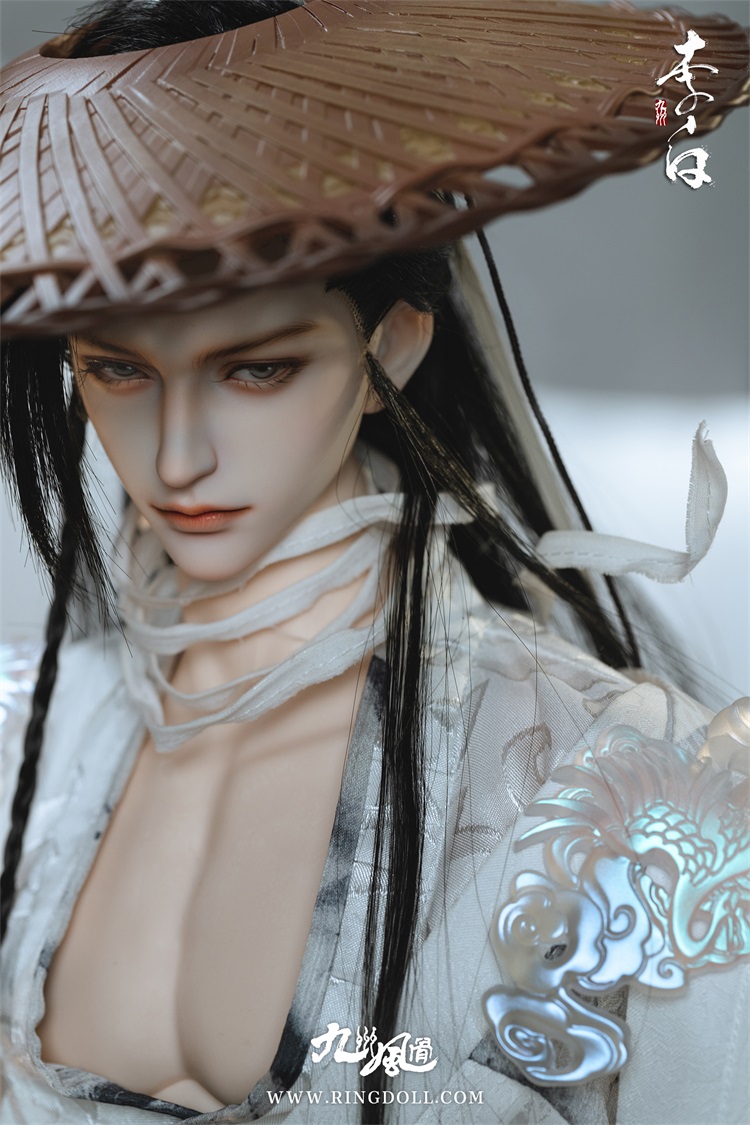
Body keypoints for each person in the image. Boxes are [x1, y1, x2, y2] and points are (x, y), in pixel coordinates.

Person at [1, 2, 748, 1123]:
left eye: (257, 369)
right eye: (118, 370)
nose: (178, 455)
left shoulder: (633, 791)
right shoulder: (25, 737)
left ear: (390, 346)